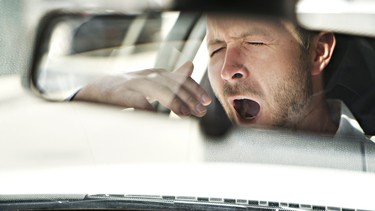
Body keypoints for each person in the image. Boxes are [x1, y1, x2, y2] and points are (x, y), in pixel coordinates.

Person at [73, 15, 366, 137]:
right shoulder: (183, 160)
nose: (227, 69)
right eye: (216, 49)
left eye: (254, 43)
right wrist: (91, 98)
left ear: (318, 53)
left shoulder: (365, 175)